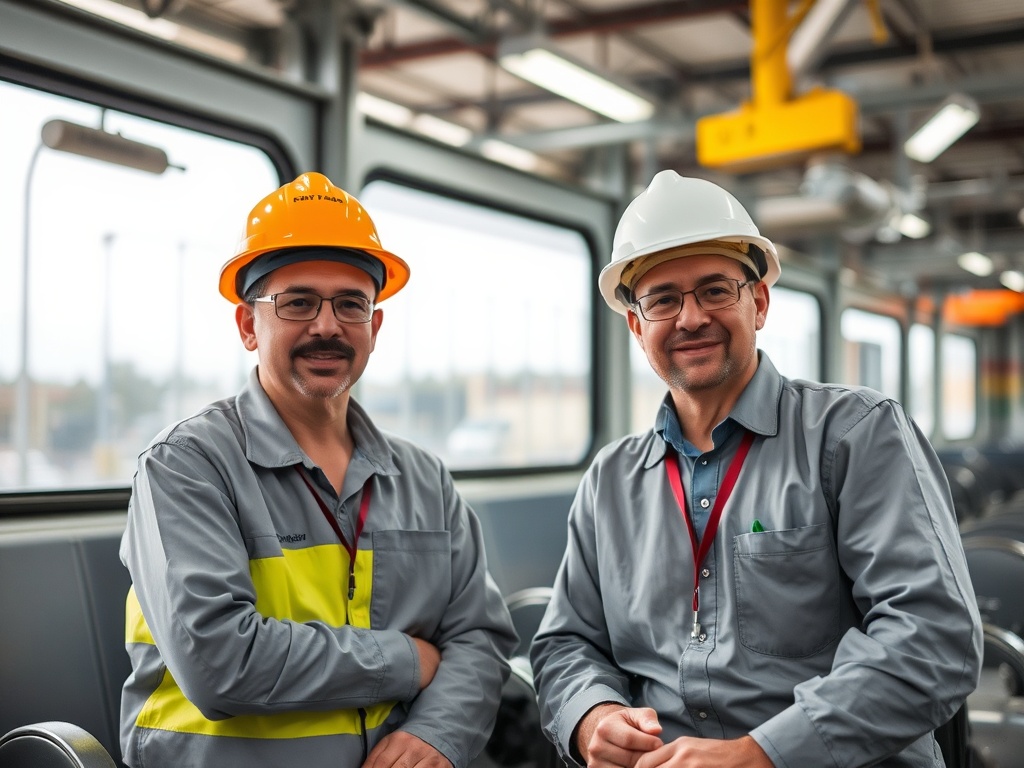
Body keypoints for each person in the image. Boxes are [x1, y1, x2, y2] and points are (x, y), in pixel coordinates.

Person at [530, 170, 982, 768]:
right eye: (663, 299)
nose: (690, 318)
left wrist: (762, 753)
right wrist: (591, 716)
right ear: (637, 324)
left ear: (760, 302)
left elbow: (934, 637)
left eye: (715, 290)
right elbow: (566, 643)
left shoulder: (856, 434)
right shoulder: (609, 482)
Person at [120, 172, 518, 768]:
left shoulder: (424, 480)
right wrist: (406, 660)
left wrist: (438, 735)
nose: (327, 326)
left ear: (374, 328)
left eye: (350, 304)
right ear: (249, 325)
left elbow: (478, 640)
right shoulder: (187, 465)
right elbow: (217, 663)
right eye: (298, 302)